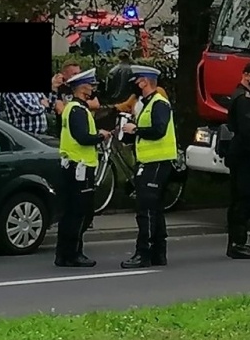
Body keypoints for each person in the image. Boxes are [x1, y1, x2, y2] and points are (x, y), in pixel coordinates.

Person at [121, 64, 176, 269]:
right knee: (154, 209)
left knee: (146, 210)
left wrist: (136, 130)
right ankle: (158, 254)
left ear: (144, 81)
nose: (134, 85)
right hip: (151, 162)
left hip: (156, 163)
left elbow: (159, 130)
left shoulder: (159, 103)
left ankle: (144, 253)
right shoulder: (147, 103)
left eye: (136, 81)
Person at [53, 69, 109, 268]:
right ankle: (74, 253)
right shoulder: (78, 110)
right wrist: (101, 135)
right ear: (82, 88)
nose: (93, 89)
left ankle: (63, 254)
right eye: (90, 85)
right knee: (81, 213)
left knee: (70, 212)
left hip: (72, 166)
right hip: (81, 168)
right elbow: (83, 137)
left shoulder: (71, 108)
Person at [223, 62, 250, 260]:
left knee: (239, 199)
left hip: (239, 154)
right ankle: (238, 243)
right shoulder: (244, 99)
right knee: (244, 198)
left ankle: (235, 242)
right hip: (245, 156)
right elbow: (249, 131)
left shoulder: (243, 96)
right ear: (246, 75)